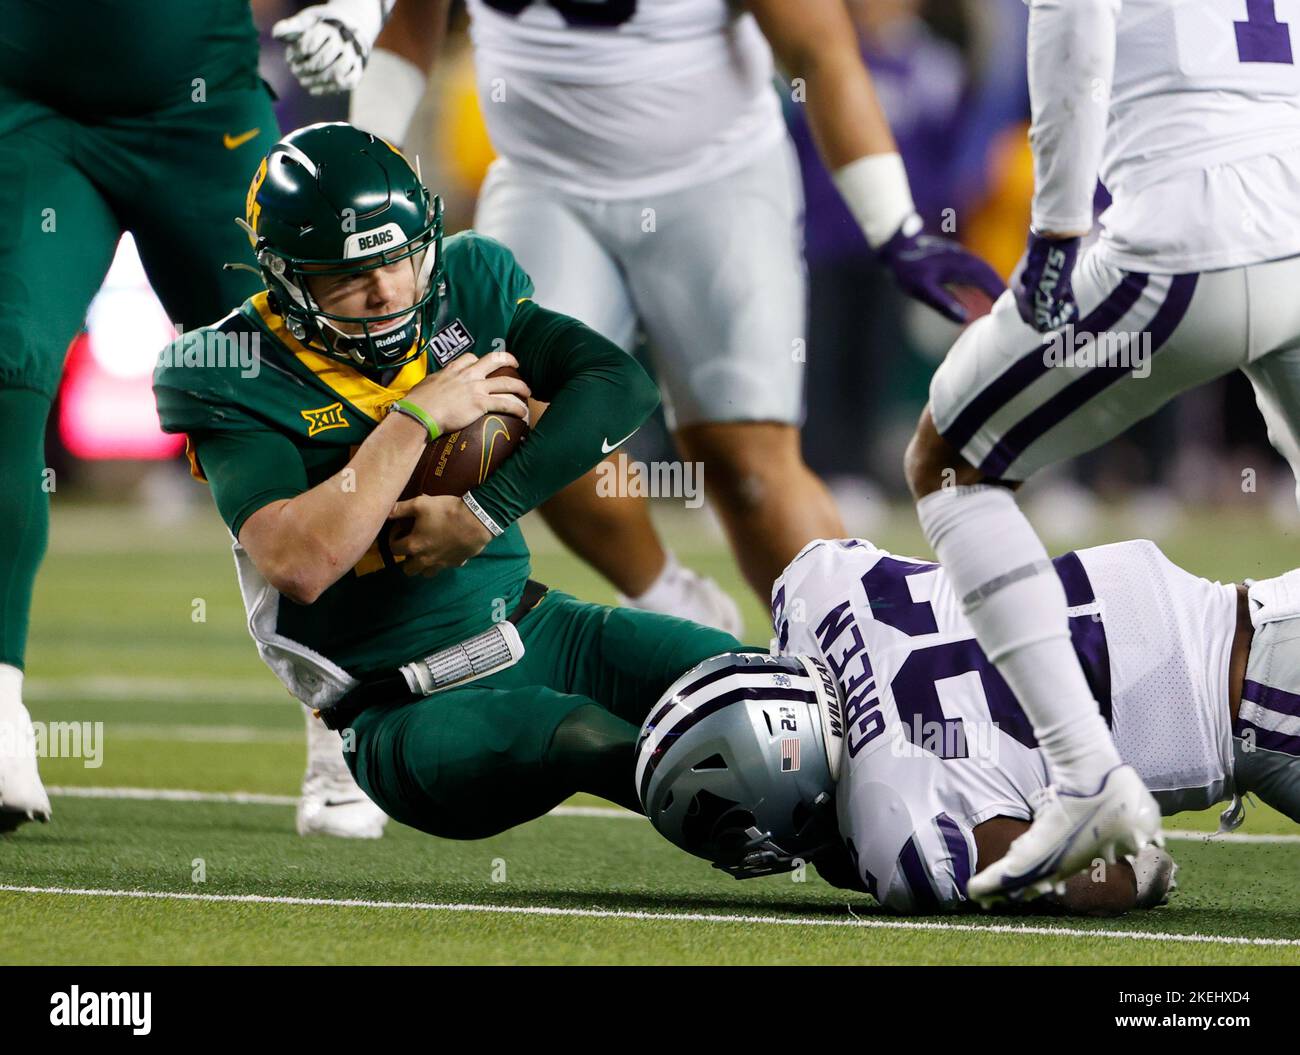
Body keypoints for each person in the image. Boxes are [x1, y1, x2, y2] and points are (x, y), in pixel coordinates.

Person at [272, 0, 1004, 630]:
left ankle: (867, 656)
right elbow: (409, 30)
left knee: (746, 463)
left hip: (715, 179)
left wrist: (897, 227)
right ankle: (672, 603)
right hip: (542, 180)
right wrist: (363, 173)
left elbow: (820, 46)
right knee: (521, 424)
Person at [153, 123, 744, 839]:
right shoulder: (234, 366)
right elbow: (300, 563)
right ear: (285, 277)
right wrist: (414, 420)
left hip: (534, 627)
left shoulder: (466, 282)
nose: (385, 290)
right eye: (348, 275)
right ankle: (751, 822)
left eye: (400, 259)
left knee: (746, 680)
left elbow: (617, 384)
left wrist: (483, 512)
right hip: (399, 708)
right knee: (584, 735)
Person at [903, 0, 1300, 901]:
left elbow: (1069, 19)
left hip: (1186, 230)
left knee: (950, 462)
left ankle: (1084, 775)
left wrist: (1053, 229)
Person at [638, 534, 1300, 914]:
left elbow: (1116, 875)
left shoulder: (896, 820)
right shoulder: (822, 586)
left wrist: (1143, 869)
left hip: (1269, 705)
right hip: (1254, 606)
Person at [0, 0, 279, 831]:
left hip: (204, 111)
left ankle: (339, 721)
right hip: (30, 106)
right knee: (7, 370)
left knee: (288, 388)